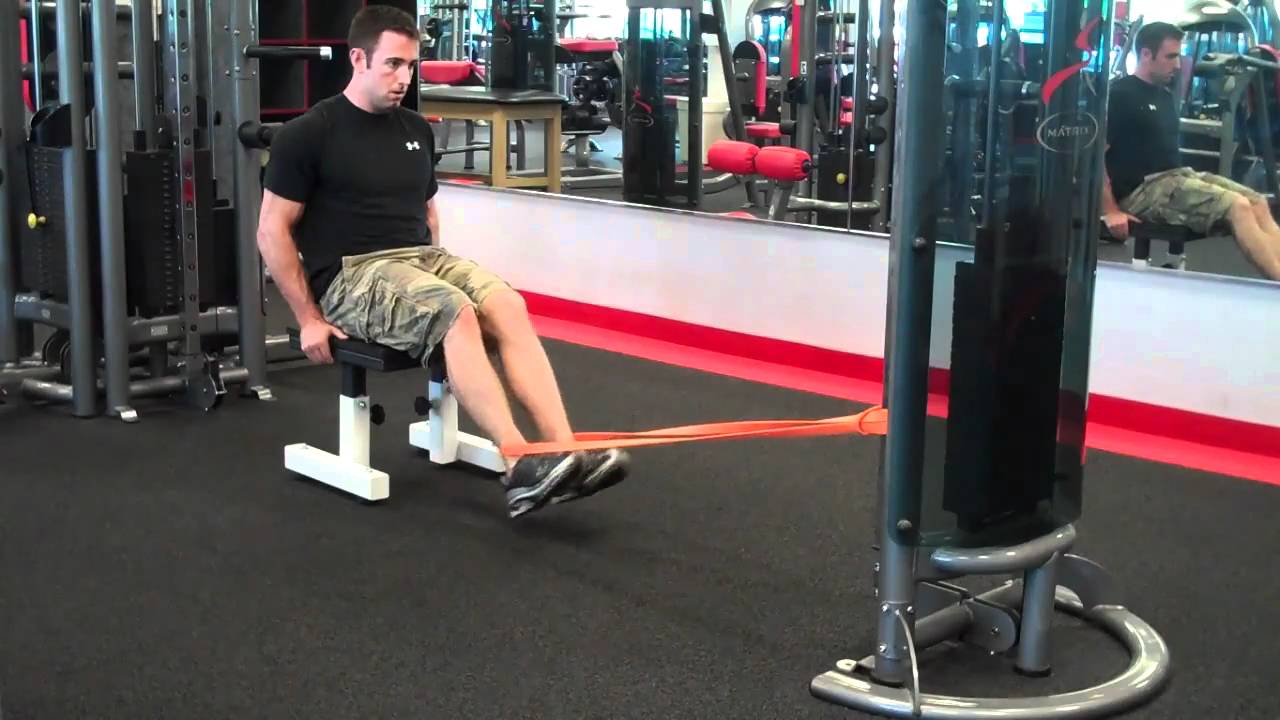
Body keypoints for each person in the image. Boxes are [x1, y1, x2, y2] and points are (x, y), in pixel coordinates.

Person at [256, 6, 630, 518]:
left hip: (421, 260)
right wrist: (308, 318)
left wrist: (435, 268)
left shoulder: (415, 128)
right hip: (353, 275)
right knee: (455, 312)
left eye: (411, 65)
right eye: (392, 64)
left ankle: (562, 453)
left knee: (507, 303)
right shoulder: (308, 133)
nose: (403, 78)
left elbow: (428, 211)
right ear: (358, 59)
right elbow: (271, 230)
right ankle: (518, 464)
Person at [1102, 21, 1280, 281]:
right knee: (1238, 206)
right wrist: (1110, 210)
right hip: (1143, 191)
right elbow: (1092, 157)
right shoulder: (1119, 94)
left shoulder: (1164, 96)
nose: (1177, 65)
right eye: (1170, 56)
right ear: (1146, 54)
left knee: (1258, 202)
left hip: (1177, 177)